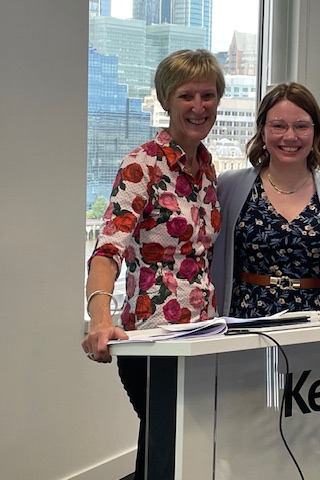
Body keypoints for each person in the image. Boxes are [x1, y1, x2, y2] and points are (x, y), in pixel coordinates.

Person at [81, 49, 225, 479]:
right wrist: (100, 321)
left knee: (179, 447)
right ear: (166, 101)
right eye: (186, 95)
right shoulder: (142, 164)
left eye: (208, 95)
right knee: (169, 448)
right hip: (154, 337)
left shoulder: (208, 169)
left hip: (205, 332)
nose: (198, 106)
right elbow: (107, 250)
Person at [212, 82, 320, 325]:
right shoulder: (229, 187)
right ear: (263, 130)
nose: (290, 136)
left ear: (316, 132)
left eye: (301, 126)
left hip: (316, 331)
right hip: (244, 329)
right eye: (278, 126)